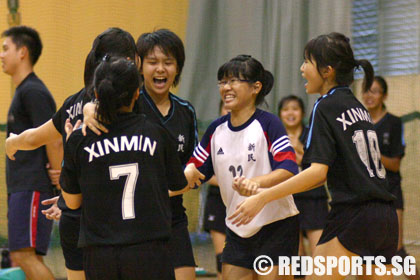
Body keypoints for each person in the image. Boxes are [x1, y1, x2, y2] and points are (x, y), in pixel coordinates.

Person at [229, 33, 398, 280]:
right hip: (385, 217)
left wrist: (263, 197)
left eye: (307, 62)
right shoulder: (359, 108)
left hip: (354, 214)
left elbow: (317, 174)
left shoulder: (325, 105)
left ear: (327, 71)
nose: (301, 68)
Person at [5, 27, 139, 280]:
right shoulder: (127, 106)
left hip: (85, 215)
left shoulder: (75, 101)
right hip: (108, 223)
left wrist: (14, 143)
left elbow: (36, 137)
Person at [60, 57, 201, 280]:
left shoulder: (80, 140)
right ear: (137, 93)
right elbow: (177, 185)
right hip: (149, 251)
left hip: (99, 255)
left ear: (96, 94)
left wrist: (71, 151)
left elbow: (72, 202)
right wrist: (189, 174)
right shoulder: (155, 133)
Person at [188, 54, 300, 280]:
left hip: (276, 225)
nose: (226, 88)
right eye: (222, 82)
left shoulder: (269, 123)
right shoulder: (215, 130)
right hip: (237, 227)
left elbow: (289, 167)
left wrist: (255, 183)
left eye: (233, 81)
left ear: (255, 87)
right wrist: (188, 171)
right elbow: (194, 169)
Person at [0, 26, 62, 280]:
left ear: (22, 52)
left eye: (6, 48)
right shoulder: (24, 92)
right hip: (23, 188)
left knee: (25, 256)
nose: (1, 54)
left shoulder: (33, 92)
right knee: (27, 257)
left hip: (32, 188)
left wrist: (60, 176)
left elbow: (54, 137)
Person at [362, 76, 419, 280]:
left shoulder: (394, 123)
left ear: (384, 95)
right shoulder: (358, 123)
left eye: (375, 91)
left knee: (396, 250)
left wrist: (369, 152)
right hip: (365, 196)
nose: (370, 95)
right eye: (366, 90)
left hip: (391, 193)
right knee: (365, 253)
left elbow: (394, 164)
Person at [278, 95, 329, 259]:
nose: (290, 113)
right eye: (285, 109)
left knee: (319, 254)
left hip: (314, 198)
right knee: (296, 255)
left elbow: (320, 162)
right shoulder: (276, 136)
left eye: (295, 109)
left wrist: (300, 148)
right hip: (289, 199)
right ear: (279, 114)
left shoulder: (312, 133)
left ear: (302, 112)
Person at [202, 100, 228, 280]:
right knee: (222, 258)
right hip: (217, 201)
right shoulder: (213, 136)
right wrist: (228, 182)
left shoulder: (254, 133)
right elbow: (201, 172)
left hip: (243, 202)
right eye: (225, 107)